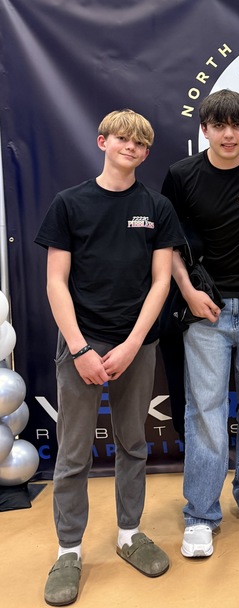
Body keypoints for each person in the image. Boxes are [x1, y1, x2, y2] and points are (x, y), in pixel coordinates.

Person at [35, 109, 185, 607]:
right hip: (80, 341)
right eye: (123, 139)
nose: (132, 148)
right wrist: (80, 348)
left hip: (136, 343)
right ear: (102, 141)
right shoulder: (69, 203)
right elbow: (56, 281)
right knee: (73, 453)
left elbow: (162, 280)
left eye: (141, 144)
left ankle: (129, 535)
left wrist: (131, 343)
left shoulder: (157, 207)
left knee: (133, 443)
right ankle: (69, 551)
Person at [161, 89, 239, 559]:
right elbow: (168, 245)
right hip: (205, 310)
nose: (229, 134)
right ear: (205, 129)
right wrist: (190, 293)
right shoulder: (181, 176)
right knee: (206, 412)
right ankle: (200, 514)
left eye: (237, 125)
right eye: (219, 125)